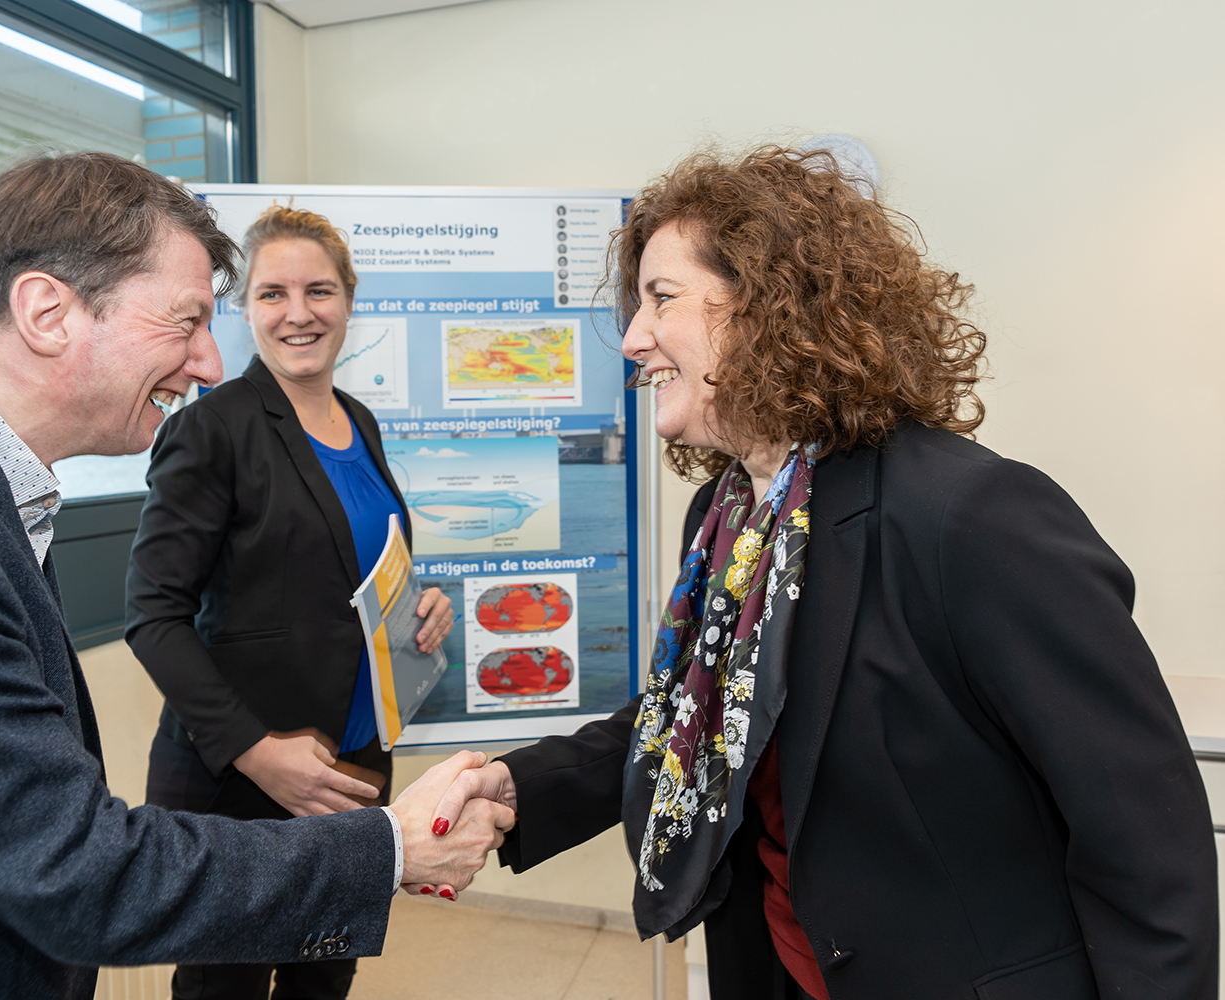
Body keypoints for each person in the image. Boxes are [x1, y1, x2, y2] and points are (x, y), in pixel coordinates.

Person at [423, 146, 1218, 999]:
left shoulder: (972, 518)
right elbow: (700, 713)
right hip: (779, 968)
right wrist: (516, 788)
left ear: (768, 308)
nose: (633, 338)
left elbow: (1145, 840)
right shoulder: (730, 514)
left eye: (661, 300)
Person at [0, 151, 512, 1000]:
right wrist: (391, 846)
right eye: (185, 322)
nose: (210, 362)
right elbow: (70, 867)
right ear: (48, 311)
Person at [124, 205, 454, 1000]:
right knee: (224, 989)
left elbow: (347, 570)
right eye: (273, 293)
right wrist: (255, 750)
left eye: (319, 290)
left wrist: (419, 607)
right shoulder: (214, 429)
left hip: (351, 768)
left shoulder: (361, 421)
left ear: (348, 300)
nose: (298, 313)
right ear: (245, 310)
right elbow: (152, 614)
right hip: (244, 777)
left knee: (322, 976)